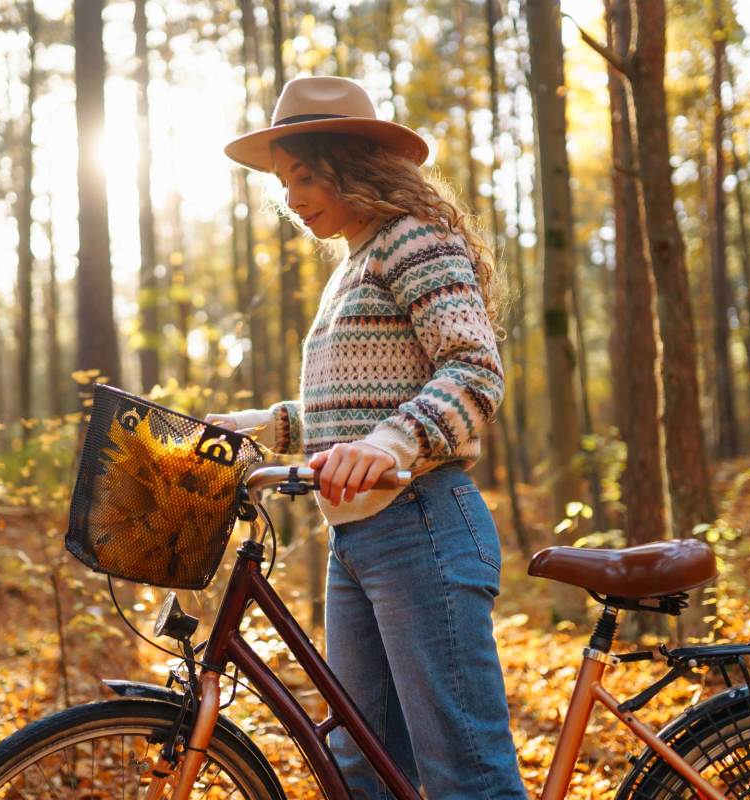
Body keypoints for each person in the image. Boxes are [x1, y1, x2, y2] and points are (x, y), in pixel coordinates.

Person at [207, 75, 528, 800]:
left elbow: (474, 370)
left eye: (305, 174)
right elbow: (352, 406)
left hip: (422, 523)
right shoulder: (355, 261)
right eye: (284, 182)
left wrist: (391, 445)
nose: (290, 196)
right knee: (361, 769)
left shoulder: (415, 239)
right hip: (357, 542)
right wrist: (264, 425)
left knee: (463, 774)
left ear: (354, 164)